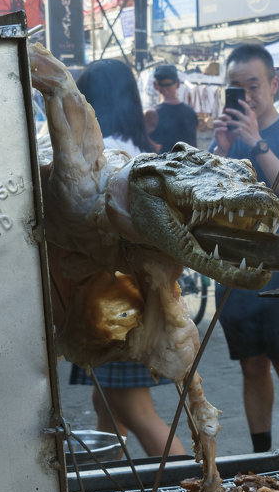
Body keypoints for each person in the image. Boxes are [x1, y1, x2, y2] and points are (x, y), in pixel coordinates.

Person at [66, 59, 188, 458]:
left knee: (135, 411)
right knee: (109, 408)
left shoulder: (107, 158)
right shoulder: (133, 151)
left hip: (116, 304)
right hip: (123, 301)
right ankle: (112, 489)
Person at [209, 43, 279, 452]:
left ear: (272, 85)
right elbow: (201, 197)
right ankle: (261, 454)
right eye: (235, 88)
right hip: (237, 270)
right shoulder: (226, 136)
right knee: (252, 367)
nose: (246, 96)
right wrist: (220, 147)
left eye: (252, 86)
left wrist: (257, 143)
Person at [149, 63, 198, 151]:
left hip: (162, 164)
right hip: (189, 163)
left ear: (155, 85)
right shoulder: (190, 112)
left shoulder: (151, 114)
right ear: (178, 83)